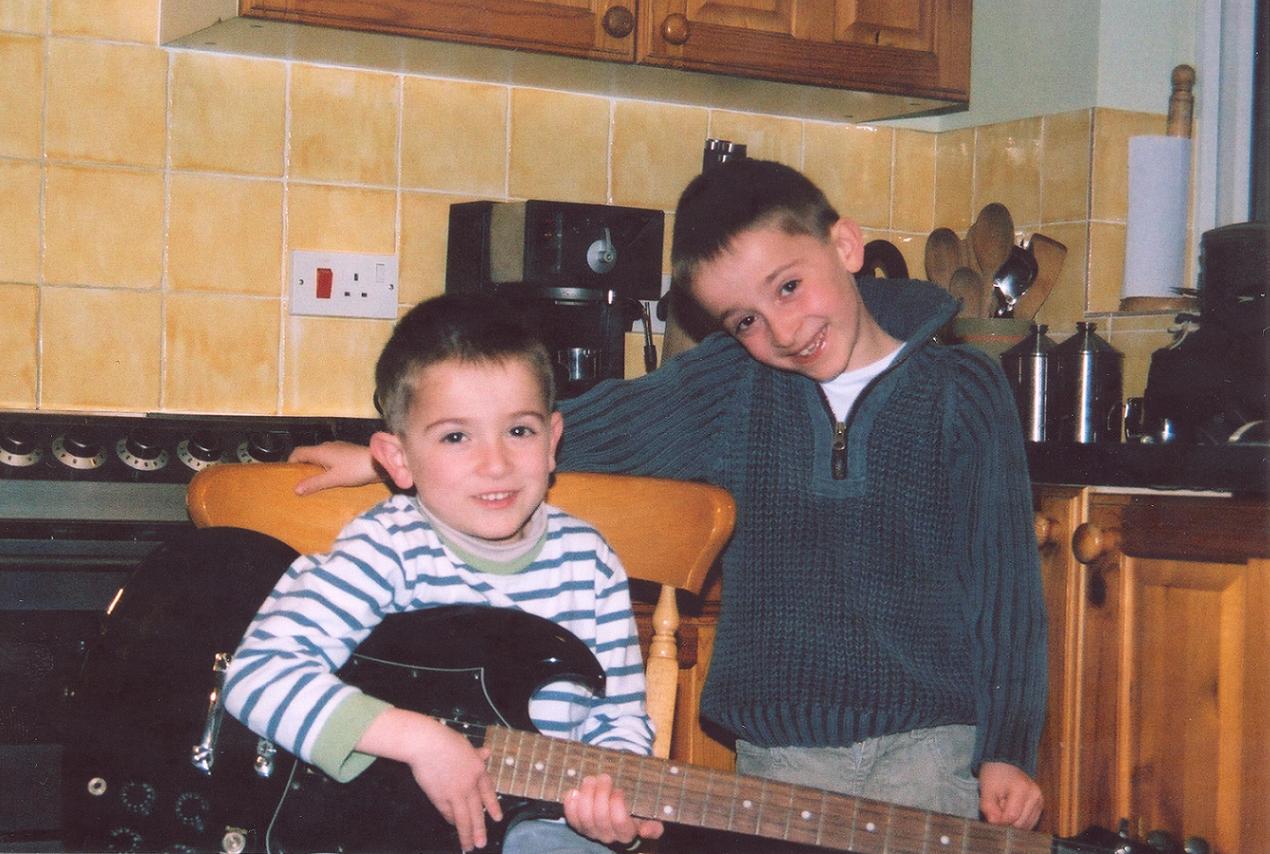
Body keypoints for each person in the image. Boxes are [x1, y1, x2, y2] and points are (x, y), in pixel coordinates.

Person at [291, 158, 1049, 835]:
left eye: (789, 286)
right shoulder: (733, 386)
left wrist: (1008, 751)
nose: (782, 329)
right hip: (779, 754)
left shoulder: (963, 392)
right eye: (745, 319)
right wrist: (395, 459)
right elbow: (564, 432)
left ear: (845, 247)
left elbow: (1006, 590)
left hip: (935, 741)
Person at [223, 294, 664, 853]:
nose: (495, 463)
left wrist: (615, 796)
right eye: (456, 437)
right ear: (399, 459)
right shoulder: (389, 546)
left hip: (547, 830)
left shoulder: (590, 560)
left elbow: (618, 719)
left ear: (553, 441)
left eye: (519, 432)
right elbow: (259, 674)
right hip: (397, 829)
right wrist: (421, 740)